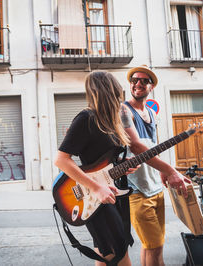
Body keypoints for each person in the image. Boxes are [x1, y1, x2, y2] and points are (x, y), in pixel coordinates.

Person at [54, 71, 139, 266]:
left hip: (108, 192)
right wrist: (95, 187)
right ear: (110, 90)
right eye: (117, 90)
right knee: (117, 253)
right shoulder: (86, 119)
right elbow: (61, 160)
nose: (120, 94)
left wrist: (121, 168)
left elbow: (101, 161)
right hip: (93, 196)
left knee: (107, 253)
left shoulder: (109, 122)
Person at [121, 65, 189, 266]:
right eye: (134, 79)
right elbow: (136, 146)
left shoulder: (151, 112)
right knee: (155, 247)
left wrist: (161, 172)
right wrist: (169, 170)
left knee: (151, 245)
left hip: (155, 188)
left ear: (151, 87)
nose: (138, 83)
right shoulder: (124, 110)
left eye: (144, 81)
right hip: (137, 190)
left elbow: (153, 146)